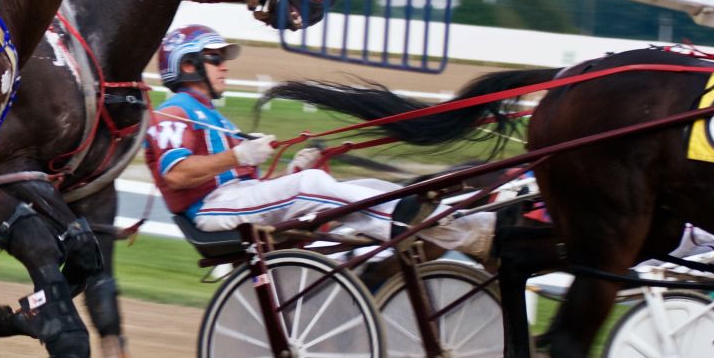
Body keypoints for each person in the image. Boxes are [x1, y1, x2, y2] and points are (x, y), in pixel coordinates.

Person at [144, 23, 494, 257]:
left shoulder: (214, 117)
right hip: (211, 210)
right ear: (187, 65)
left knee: (366, 185)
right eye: (215, 58)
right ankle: (430, 229)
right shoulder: (174, 112)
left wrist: (291, 172)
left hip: (235, 200)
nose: (224, 66)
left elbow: (253, 189)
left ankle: (465, 226)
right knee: (311, 185)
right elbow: (176, 174)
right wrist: (239, 156)